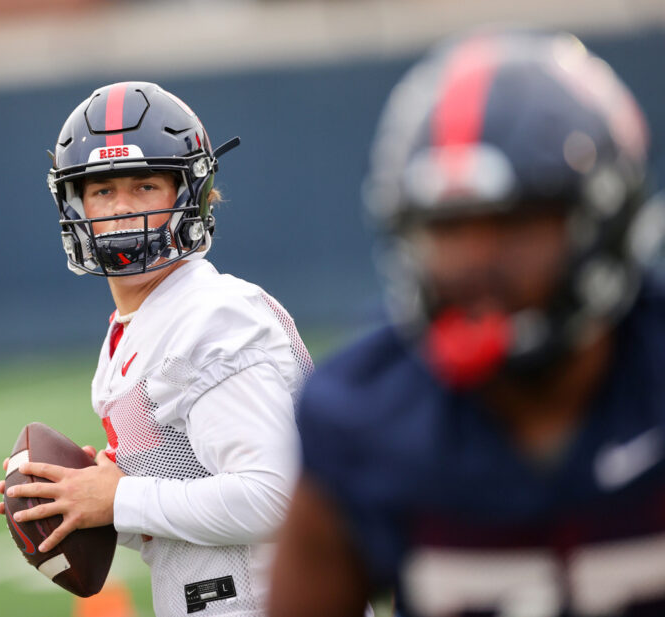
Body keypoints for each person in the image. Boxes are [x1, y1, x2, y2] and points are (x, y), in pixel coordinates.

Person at [269, 29, 665, 617]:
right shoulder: (361, 413)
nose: (477, 263)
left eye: (517, 224)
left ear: (605, 218)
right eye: (449, 229)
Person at [0, 81, 313, 617]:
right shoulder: (137, 325)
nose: (121, 209)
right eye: (101, 191)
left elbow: (279, 498)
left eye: (144, 186)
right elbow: (185, 514)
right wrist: (75, 500)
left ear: (190, 194)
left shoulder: (210, 317)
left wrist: (118, 497)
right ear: (75, 205)